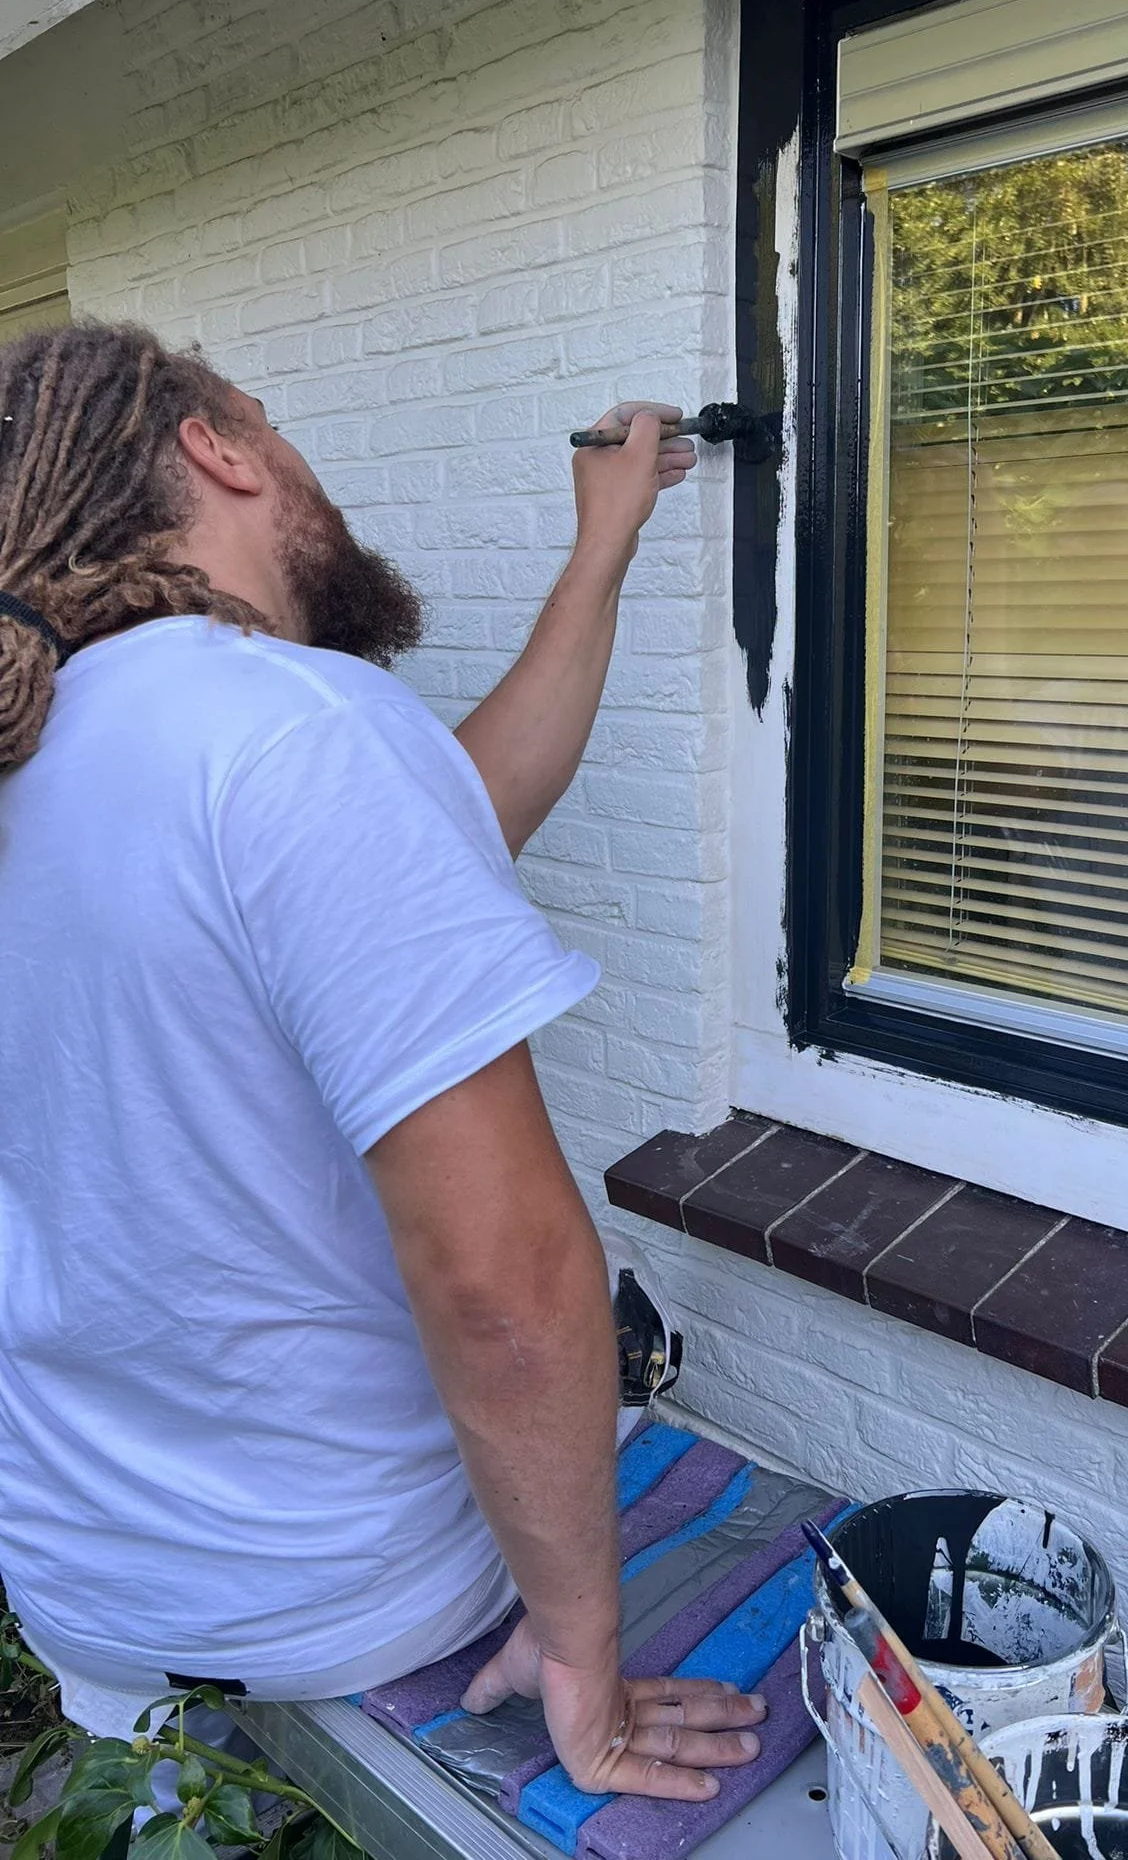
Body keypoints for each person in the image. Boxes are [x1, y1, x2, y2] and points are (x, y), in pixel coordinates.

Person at [0, 322, 763, 1801]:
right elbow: (506, 1288)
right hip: (348, 1593)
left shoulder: (55, 756)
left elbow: (457, 819)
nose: (309, 467)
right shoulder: (292, 733)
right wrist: (582, 1657)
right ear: (217, 451)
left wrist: (603, 547)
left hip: (87, 1587)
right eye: (272, 425)